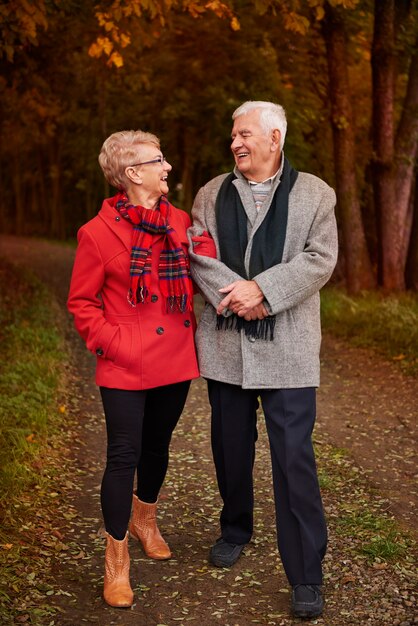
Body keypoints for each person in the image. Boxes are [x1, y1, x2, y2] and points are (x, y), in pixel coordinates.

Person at [188, 101, 338, 619]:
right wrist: (236, 297)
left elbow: (319, 259)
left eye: (245, 134)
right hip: (227, 346)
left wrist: (263, 292)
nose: (235, 142)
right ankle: (235, 528)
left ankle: (305, 573)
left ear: (275, 137)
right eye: (233, 135)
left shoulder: (316, 194)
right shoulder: (210, 193)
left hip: (289, 349)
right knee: (230, 447)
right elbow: (198, 253)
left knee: (293, 456)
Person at [67, 130, 199, 608]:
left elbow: (197, 276)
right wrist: (112, 343)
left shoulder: (180, 221)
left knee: (158, 447)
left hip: (176, 357)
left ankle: (146, 518)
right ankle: (117, 562)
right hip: (125, 361)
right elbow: (81, 302)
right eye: (158, 160)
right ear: (132, 174)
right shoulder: (96, 233)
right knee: (124, 455)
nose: (167, 168)